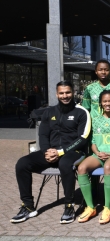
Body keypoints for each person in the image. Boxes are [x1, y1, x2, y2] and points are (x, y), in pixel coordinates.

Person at [11, 81, 91, 224]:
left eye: (68, 92)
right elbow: (43, 135)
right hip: (51, 152)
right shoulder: (49, 112)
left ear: (73, 93)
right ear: (56, 94)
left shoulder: (82, 112)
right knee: (22, 163)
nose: (65, 96)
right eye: (61, 93)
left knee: (66, 163)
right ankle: (28, 207)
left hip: (74, 152)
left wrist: (60, 152)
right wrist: (46, 152)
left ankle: (69, 206)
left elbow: (83, 138)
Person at [76, 90, 110, 224]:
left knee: (108, 166)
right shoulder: (95, 120)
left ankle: (107, 208)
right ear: (100, 103)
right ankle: (90, 207)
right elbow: (92, 142)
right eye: (105, 101)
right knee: (81, 167)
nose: (108, 103)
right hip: (99, 154)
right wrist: (97, 152)